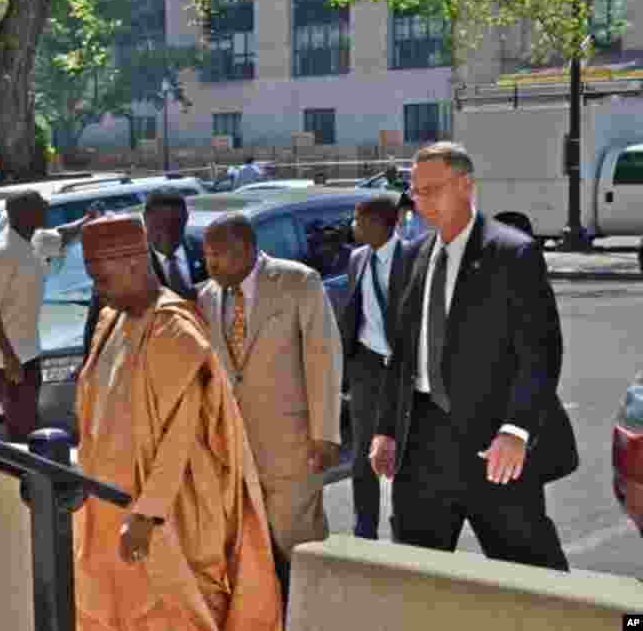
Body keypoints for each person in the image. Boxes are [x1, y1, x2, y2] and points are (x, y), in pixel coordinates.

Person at [74, 214, 283, 631]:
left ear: (134, 265)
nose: (98, 291)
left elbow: (181, 435)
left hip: (166, 518)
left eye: (102, 280)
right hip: (108, 506)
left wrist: (147, 514)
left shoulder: (175, 329)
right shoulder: (112, 321)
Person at [369, 142, 571, 571]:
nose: (421, 201)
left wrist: (516, 430)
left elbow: (540, 352)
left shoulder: (512, 253)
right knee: (416, 577)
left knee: (532, 575)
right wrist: (386, 429)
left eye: (432, 189)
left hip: (492, 445)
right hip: (421, 447)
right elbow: (401, 356)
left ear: (465, 186)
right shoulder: (410, 257)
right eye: (416, 192)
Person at [196, 213, 343, 603]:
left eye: (217, 255)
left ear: (244, 249)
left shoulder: (297, 282)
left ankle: (315, 615)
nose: (209, 264)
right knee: (250, 549)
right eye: (206, 255)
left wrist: (325, 433)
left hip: (293, 444)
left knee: (297, 542)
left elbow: (323, 357)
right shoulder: (207, 296)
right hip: (234, 448)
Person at [0, 190, 95, 442]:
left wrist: (86, 221)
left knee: (25, 425)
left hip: (26, 351)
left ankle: (23, 476)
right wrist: (9, 357)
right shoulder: (2, 251)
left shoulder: (34, 239)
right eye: (41, 204)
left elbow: (63, 235)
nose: (47, 206)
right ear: (25, 214)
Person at [339, 197, 415, 539]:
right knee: (361, 457)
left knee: (405, 452)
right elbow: (354, 314)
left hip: (404, 371)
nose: (353, 227)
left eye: (358, 221)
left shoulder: (413, 259)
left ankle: (406, 526)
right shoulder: (357, 259)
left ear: (379, 225)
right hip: (367, 369)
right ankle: (364, 528)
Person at [82, 189, 207, 357]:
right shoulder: (123, 265)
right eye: (160, 225)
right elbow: (97, 329)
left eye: (175, 224)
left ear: (186, 219)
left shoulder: (207, 252)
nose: (167, 232)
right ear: (146, 221)